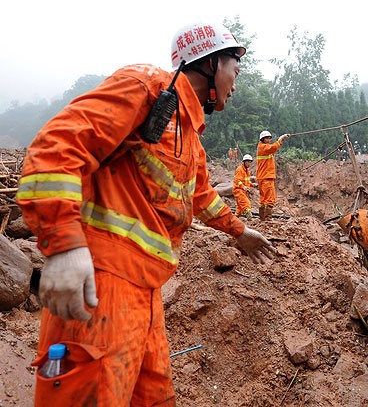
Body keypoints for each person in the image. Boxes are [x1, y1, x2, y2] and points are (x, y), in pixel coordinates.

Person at [16, 21, 276, 406]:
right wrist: (64, 245)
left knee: (153, 398)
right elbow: (57, 147)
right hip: (103, 285)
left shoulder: (188, 136)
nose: (235, 83)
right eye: (234, 69)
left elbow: (201, 195)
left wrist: (239, 231)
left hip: (147, 294)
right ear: (211, 63)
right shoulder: (146, 88)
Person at [256, 130, 290, 220]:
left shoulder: (261, 147)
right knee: (270, 199)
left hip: (261, 177)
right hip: (266, 177)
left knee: (263, 199)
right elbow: (273, 148)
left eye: (269, 138)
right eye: (267, 138)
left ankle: (262, 219)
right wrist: (281, 139)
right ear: (262, 139)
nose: (269, 140)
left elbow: (272, 148)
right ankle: (267, 219)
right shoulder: (264, 148)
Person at [233, 154, 255, 218]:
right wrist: (243, 187)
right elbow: (238, 180)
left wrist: (252, 184)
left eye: (250, 162)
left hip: (243, 190)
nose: (249, 163)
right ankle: (249, 216)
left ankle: (235, 217)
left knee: (240, 206)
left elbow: (247, 181)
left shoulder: (247, 171)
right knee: (246, 203)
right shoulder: (239, 169)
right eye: (248, 162)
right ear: (244, 162)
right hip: (238, 190)